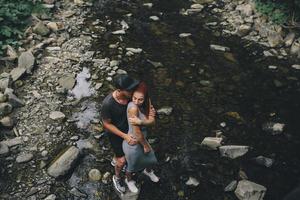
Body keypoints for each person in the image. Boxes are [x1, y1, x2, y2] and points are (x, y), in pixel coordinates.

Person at [101, 74, 140, 193]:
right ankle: (117, 178)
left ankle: (115, 159)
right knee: (122, 160)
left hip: (128, 130)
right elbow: (106, 124)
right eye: (129, 89)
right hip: (116, 135)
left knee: (131, 153)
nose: (133, 91)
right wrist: (125, 136)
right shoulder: (108, 104)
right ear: (119, 90)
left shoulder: (130, 96)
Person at [122, 82, 160, 193]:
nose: (137, 102)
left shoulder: (147, 102)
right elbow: (137, 132)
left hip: (143, 139)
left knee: (150, 159)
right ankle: (128, 180)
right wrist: (145, 146)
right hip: (134, 143)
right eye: (134, 98)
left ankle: (147, 171)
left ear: (145, 97)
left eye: (140, 99)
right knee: (132, 166)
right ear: (131, 95)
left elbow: (153, 121)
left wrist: (141, 121)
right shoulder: (133, 108)